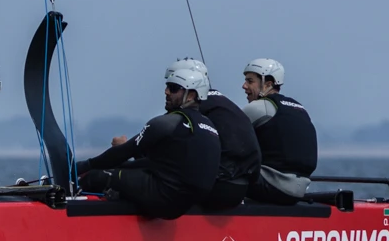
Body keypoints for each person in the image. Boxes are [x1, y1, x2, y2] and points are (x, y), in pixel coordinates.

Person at [78, 59, 221, 219]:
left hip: (164, 197)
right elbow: (160, 165)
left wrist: (83, 166)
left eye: (173, 88)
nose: (166, 92)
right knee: (126, 171)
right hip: (186, 203)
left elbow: (123, 152)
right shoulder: (209, 126)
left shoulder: (168, 123)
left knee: (95, 176)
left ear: (191, 95)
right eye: (167, 86)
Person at [181, 61, 261, 210]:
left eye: (173, 87)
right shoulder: (225, 103)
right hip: (241, 187)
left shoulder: (195, 106)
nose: (167, 92)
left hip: (218, 188)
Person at [240, 58, 318, 204]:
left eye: (250, 81)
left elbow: (224, 135)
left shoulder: (259, 107)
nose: (244, 86)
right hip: (299, 191)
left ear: (268, 84)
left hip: (271, 187)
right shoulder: (300, 109)